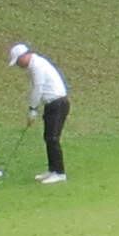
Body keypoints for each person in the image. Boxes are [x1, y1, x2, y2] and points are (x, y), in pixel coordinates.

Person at [10, 41, 72, 182]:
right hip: (52, 104)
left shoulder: (37, 65)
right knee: (48, 137)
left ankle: (60, 173)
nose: (19, 65)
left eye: (18, 61)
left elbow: (38, 88)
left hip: (58, 103)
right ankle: (52, 170)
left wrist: (33, 110)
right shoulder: (36, 63)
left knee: (52, 138)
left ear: (24, 56)